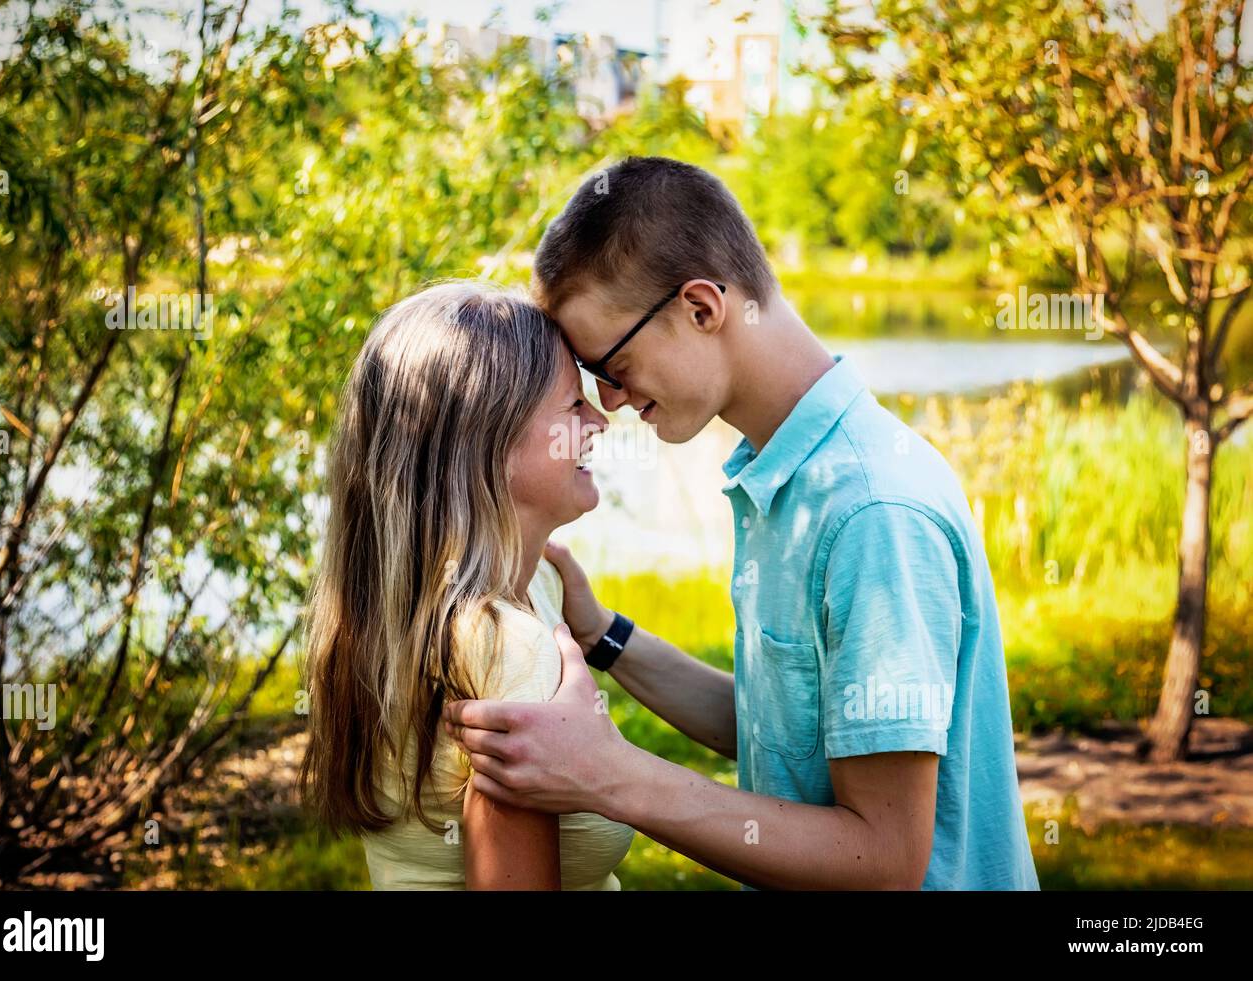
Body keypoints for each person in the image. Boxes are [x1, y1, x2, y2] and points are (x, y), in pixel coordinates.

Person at [444, 156, 1041, 890]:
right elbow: (785, 735)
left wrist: (610, 777)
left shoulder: (870, 512)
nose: (609, 402)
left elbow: (884, 858)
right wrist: (604, 635)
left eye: (612, 364)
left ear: (701, 307)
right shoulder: (784, 475)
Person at [298, 281, 635, 889]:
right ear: (490, 447)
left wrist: (601, 630)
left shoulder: (404, 603)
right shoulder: (511, 649)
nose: (601, 420)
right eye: (572, 406)